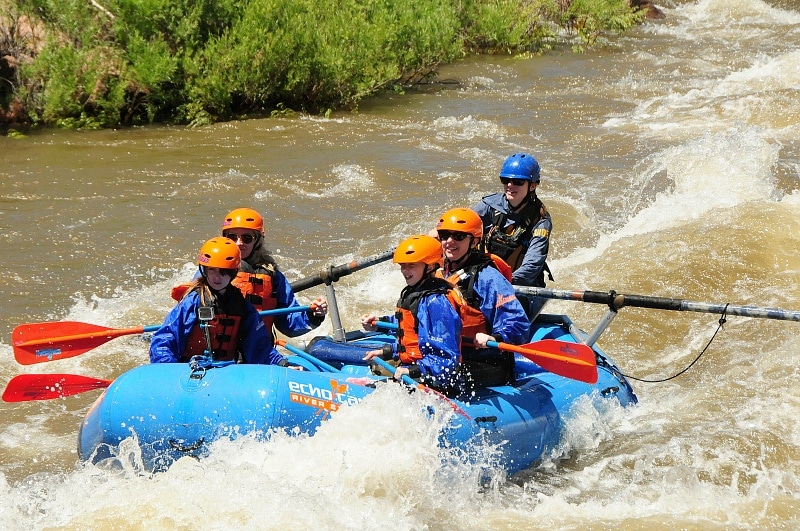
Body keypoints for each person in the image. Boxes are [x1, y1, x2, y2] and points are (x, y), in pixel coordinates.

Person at [150, 237, 287, 364]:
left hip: (225, 369)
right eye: (212, 270)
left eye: (224, 271)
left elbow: (259, 346)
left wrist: (281, 363)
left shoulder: (242, 306)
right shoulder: (193, 301)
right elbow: (165, 339)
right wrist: (166, 367)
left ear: (234, 272)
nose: (217, 277)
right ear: (204, 270)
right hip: (190, 367)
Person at [436, 207, 530, 386]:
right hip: (446, 356)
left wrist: (494, 338)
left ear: (474, 242)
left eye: (458, 236)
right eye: (445, 235)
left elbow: (519, 324)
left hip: (484, 361)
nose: (449, 241)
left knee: (436, 375)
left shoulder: (488, 278)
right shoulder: (438, 273)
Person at [360, 235, 464, 395]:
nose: (405, 271)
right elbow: (414, 336)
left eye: (411, 265)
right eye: (403, 265)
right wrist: (388, 349)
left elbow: (447, 358)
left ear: (429, 267)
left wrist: (414, 370)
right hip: (417, 368)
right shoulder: (416, 293)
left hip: (434, 379)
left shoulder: (437, 303)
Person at [220, 207, 328, 334]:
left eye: (247, 238)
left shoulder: (272, 275)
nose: (239, 243)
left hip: (257, 349)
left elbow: (288, 321)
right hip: (217, 350)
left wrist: (313, 315)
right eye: (232, 237)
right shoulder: (211, 270)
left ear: (257, 241)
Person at [473, 153, 553, 316]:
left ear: (532, 186)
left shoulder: (541, 221)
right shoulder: (489, 206)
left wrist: (501, 284)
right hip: (487, 280)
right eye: (505, 180)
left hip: (521, 289)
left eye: (517, 182)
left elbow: (531, 266)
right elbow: (461, 226)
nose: (510, 185)